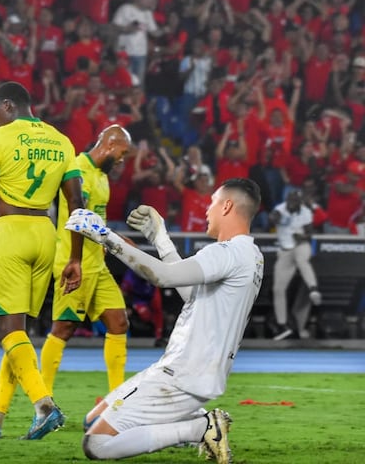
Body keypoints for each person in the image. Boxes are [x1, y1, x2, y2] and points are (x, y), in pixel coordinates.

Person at [65, 177, 264, 464]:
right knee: (92, 419)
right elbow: (189, 293)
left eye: (212, 203)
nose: (207, 210)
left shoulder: (228, 252)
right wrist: (160, 237)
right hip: (192, 372)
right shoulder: (251, 255)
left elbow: (163, 276)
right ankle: (194, 421)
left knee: (96, 444)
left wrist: (105, 236)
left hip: (181, 374)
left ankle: (200, 427)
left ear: (227, 206)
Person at [0, 81, 85, 440]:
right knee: (18, 334)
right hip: (46, 234)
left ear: (7, 106)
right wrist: (76, 258)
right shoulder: (61, 140)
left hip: (12, 231)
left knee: (8, 331)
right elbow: (77, 206)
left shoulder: (0, 138)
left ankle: (43, 406)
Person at [40, 125, 132, 399]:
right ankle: (43, 401)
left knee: (118, 322)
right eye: (122, 153)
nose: (122, 160)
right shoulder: (78, 170)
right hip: (73, 261)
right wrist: (75, 260)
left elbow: (95, 221)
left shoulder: (102, 176)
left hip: (97, 264)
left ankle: (117, 399)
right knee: (64, 328)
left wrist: (116, 240)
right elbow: (76, 219)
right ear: (109, 143)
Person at [269, 190, 322, 340]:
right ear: (287, 200)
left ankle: (313, 289)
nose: (292, 203)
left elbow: (310, 233)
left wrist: (302, 236)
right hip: (285, 250)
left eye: (295, 200)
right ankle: (282, 325)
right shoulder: (281, 208)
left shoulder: (305, 212)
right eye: (290, 200)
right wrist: (275, 218)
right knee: (278, 289)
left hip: (301, 245)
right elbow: (273, 218)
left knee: (302, 260)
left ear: (300, 201)